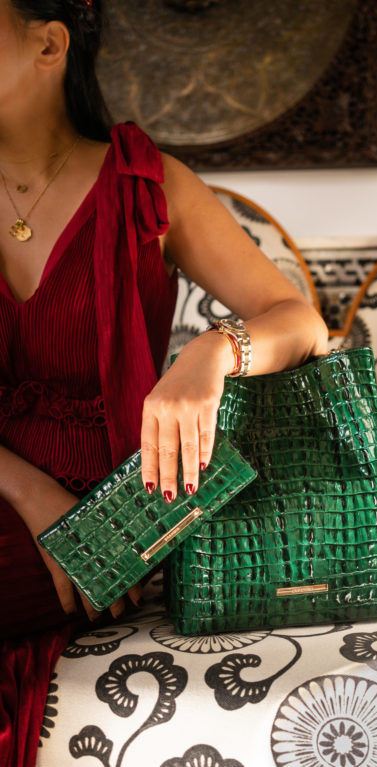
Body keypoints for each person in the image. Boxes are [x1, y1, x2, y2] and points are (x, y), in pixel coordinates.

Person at [0, 0, 327, 764]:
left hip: (115, 507)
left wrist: (212, 351)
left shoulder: (146, 184)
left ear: (49, 45)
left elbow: (300, 321)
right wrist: (29, 491)